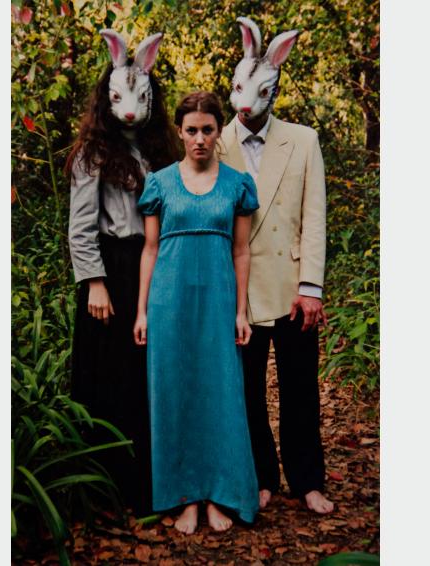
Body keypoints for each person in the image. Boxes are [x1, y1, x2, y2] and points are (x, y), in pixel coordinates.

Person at [219, 16, 334, 514]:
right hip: (238, 287)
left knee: (299, 386)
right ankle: (261, 475)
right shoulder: (212, 140)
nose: (247, 102)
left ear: (275, 89)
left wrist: (311, 287)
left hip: (290, 286)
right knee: (246, 388)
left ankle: (307, 480)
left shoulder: (303, 140)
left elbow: (314, 216)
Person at [133, 91, 260, 534]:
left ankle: (218, 494)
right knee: (175, 393)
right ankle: (184, 496)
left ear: (219, 130)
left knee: (220, 394)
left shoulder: (237, 184)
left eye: (208, 130)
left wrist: (241, 311)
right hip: (168, 304)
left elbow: (241, 251)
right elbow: (150, 250)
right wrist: (141, 312)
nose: (200, 138)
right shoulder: (160, 183)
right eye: (191, 130)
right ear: (180, 132)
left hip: (219, 304)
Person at [66, 29, 177, 516]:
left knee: (146, 371)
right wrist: (95, 282)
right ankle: (105, 489)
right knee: (110, 374)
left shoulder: (159, 152)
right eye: (118, 99)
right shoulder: (92, 154)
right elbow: (81, 225)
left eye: (138, 98)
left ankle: (149, 482)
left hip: (153, 265)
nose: (129, 110)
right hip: (111, 270)